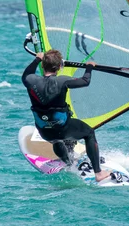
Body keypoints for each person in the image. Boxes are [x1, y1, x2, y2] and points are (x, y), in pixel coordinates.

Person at [21, 49, 111, 182]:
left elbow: (26, 73)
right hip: (63, 128)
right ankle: (99, 173)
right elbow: (85, 81)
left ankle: (69, 164)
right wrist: (89, 67)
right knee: (89, 133)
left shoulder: (31, 80)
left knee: (56, 139)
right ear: (59, 67)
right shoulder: (62, 81)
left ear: (42, 66)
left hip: (44, 132)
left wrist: (37, 59)